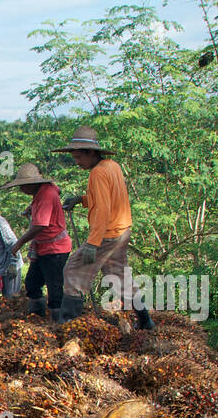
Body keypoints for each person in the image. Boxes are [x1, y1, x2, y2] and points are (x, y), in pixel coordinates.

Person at [54, 126, 154, 330]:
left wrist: (92, 243)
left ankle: (68, 323)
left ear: (91, 153)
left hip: (107, 235)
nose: (77, 162)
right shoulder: (112, 166)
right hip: (122, 231)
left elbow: (102, 210)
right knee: (120, 276)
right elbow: (106, 198)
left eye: (79, 157)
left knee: (72, 269)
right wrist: (81, 199)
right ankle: (145, 320)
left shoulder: (98, 173)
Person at [0, 163, 72, 322]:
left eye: (23, 186)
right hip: (44, 248)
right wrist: (32, 209)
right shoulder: (44, 191)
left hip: (55, 249)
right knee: (32, 284)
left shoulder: (46, 194)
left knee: (54, 287)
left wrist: (19, 243)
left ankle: (57, 322)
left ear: (32, 184)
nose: (21, 190)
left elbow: (40, 225)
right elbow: (49, 199)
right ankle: (37, 319)